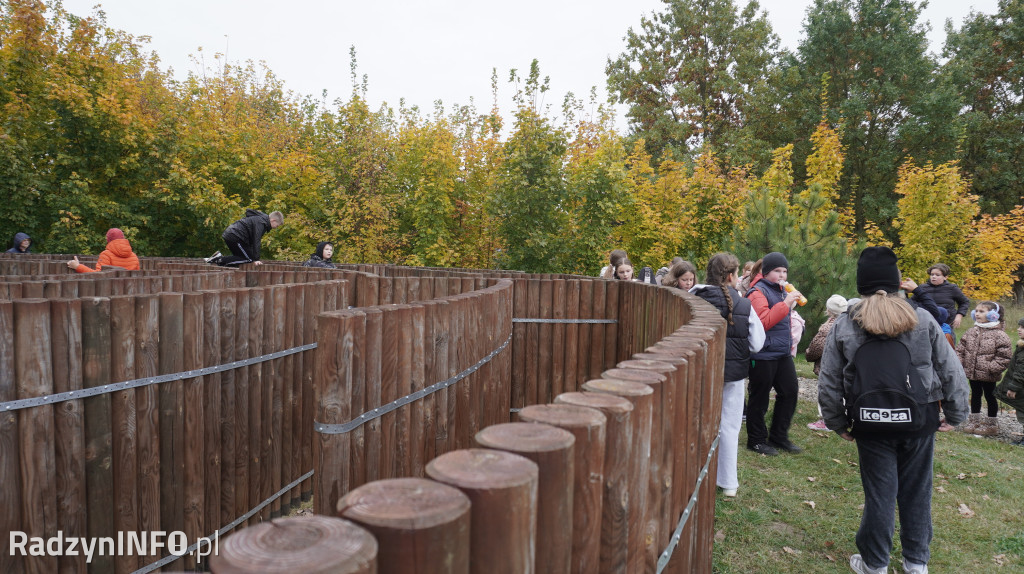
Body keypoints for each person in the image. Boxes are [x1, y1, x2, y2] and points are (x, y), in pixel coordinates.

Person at [818, 246, 968, 574]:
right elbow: (950, 370)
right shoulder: (922, 318)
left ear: (861, 284)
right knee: (917, 492)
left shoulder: (845, 323)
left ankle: (874, 564)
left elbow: (828, 380)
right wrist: (956, 413)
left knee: (880, 495)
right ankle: (916, 562)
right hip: (919, 419)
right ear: (896, 281)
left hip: (869, 421)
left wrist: (836, 421)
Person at [693, 253, 764, 498]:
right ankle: (728, 482)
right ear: (733, 276)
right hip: (732, 376)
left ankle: (694, 474)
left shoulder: (693, 298)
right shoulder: (744, 305)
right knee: (730, 427)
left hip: (698, 373)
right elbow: (757, 343)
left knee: (696, 422)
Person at [744, 251, 804, 455]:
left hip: (782, 352)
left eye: (785, 271)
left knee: (789, 392)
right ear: (766, 272)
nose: (782, 275)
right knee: (759, 398)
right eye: (777, 271)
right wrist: (785, 304)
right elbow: (763, 323)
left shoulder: (781, 291)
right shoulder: (756, 292)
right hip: (762, 354)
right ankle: (756, 440)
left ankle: (779, 436)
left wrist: (788, 303)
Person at [956, 301, 1012, 436]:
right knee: (975, 395)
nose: (977, 314)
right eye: (976, 311)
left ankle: (991, 424)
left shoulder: (999, 335)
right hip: (972, 372)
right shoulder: (971, 332)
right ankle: (974, 421)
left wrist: (991, 368)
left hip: (989, 374)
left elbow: (1004, 356)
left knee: (990, 396)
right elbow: (960, 350)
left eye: (982, 311)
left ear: (993, 315)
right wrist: (960, 364)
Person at [804, 294, 848, 430]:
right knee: (844, 391)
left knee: (825, 393)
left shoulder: (827, 328)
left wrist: (808, 354)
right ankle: (844, 417)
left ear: (828, 311)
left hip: (829, 366)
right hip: (845, 365)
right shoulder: (850, 323)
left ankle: (826, 420)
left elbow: (816, 348)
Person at [208, 209, 284, 267]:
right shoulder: (261, 223)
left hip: (233, 235)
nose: (276, 227)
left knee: (241, 258)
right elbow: (256, 240)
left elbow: (251, 241)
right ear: (273, 220)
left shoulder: (261, 220)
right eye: (277, 225)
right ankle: (218, 260)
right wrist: (256, 259)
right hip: (235, 236)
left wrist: (253, 256)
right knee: (249, 259)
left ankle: (219, 260)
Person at [913, 263, 970, 337]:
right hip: (925, 325)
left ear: (945, 277)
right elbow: (912, 303)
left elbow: (964, 302)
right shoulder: (922, 288)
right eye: (932, 274)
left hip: (946, 325)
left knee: (947, 343)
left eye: (937, 275)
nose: (934, 277)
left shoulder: (952, 288)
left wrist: (959, 316)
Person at [996, 318, 1024, 446]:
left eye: (1022, 327)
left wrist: (1013, 388)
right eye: (1019, 326)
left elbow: (1021, 371)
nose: (1019, 329)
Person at [66, 228, 140, 273]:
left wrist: (78, 266)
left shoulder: (106, 254)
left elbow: (99, 275)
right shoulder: (134, 256)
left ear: (108, 240)